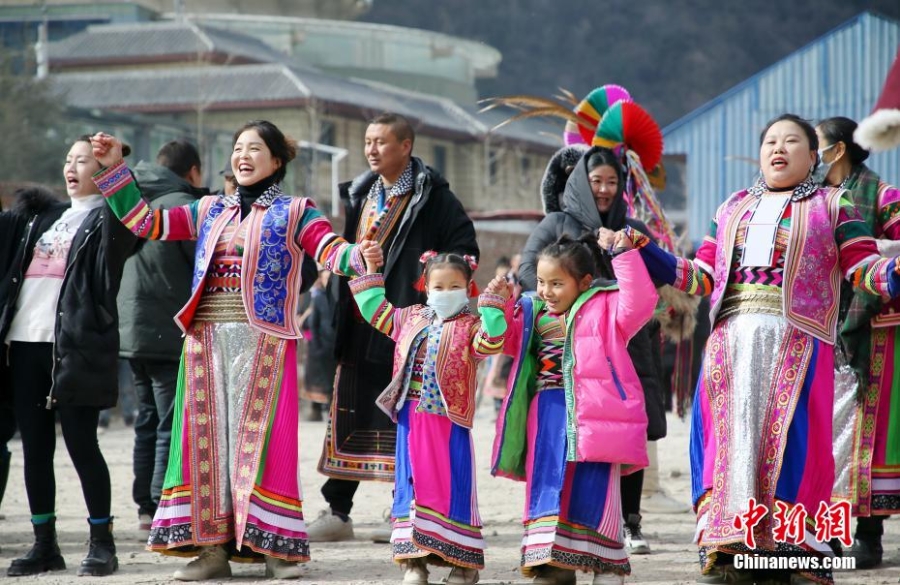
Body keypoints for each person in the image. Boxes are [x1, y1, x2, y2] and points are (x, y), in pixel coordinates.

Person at [615, 113, 900, 585]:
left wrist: (892, 274)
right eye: (770, 140)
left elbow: (862, 269)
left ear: (815, 157)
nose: (778, 148)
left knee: (793, 448)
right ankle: (730, 549)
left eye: (792, 141)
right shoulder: (731, 208)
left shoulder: (835, 205)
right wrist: (646, 249)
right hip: (731, 341)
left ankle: (787, 552)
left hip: (798, 341)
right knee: (729, 445)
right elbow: (699, 277)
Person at [90, 120, 365, 581]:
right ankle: (212, 551)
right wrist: (115, 169)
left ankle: (276, 551)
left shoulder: (297, 211)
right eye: (238, 147)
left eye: (254, 148)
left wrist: (360, 257)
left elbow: (330, 249)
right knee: (206, 447)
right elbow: (147, 222)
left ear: (277, 161)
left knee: (261, 447)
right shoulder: (208, 209)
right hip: (206, 340)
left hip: (264, 341)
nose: (243, 155)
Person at [311, 113, 478, 543]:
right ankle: (338, 510)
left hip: (409, 322)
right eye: (367, 141)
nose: (371, 149)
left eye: (381, 142)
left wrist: (432, 278)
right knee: (348, 410)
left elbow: (465, 248)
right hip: (361, 316)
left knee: (406, 415)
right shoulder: (361, 192)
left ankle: (407, 509)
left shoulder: (434, 197)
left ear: (405, 146)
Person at [0, 137, 140, 577]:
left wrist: (118, 168)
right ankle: (45, 545)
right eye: (68, 159)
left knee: (82, 445)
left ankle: (103, 543)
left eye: (83, 160)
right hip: (23, 345)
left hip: (74, 348)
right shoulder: (41, 218)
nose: (71, 166)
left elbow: (132, 227)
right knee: (35, 450)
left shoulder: (108, 219)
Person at [518, 146, 667, 554]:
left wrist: (621, 261)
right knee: (583, 430)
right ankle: (572, 520)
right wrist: (580, 293)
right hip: (573, 338)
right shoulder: (555, 223)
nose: (604, 190)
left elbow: (652, 278)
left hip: (629, 338)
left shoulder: (632, 226)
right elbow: (529, 271)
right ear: (582, 183)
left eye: (612, 182)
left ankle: (630, 521)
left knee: (628, 427)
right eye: (596, 181)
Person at [493, 233, 657, 585]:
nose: (546, 291)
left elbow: (642, 302)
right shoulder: (531, 311)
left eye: (556, 283)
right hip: (546, 413)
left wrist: (624, 254)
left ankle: (608, 565)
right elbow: (506, 344)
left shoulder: (607, 308)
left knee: (593, 486)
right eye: (540, 282)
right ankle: (555, 565)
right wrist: (500, 306)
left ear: (583, 282)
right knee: (549, 484)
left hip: (594, 416)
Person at [350, 243, 509, 585]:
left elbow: (492, 343)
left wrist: (495, 307)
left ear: (469, 289)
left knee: (451, 485)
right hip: (411, 418)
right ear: (425, 286)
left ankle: (463, 564)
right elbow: (374, 309)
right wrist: (371, 270)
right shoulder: (409, 318)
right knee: (411, 484)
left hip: (448, 424)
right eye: (438, 286)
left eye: (455, 287)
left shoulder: (471, 326)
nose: (446, 293)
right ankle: (413, 562)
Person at [816, 116, 900, 569]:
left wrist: (874, 256)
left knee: (863, 435)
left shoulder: (881, 194)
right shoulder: (808, 197)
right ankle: (823, 535)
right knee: (820, 433)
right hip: (816, 323)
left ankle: (868, 537)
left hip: (868, 328)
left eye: (818, 145)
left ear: (839, 149)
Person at [117, 139, 208, 535]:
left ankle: (143, 503)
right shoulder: (181, 207)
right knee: (170, 422)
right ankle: (157, 504)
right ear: (193, 172)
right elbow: (201, 268)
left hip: (130, 328)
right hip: (168, 328)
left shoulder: (131, 202)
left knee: (146, 420)